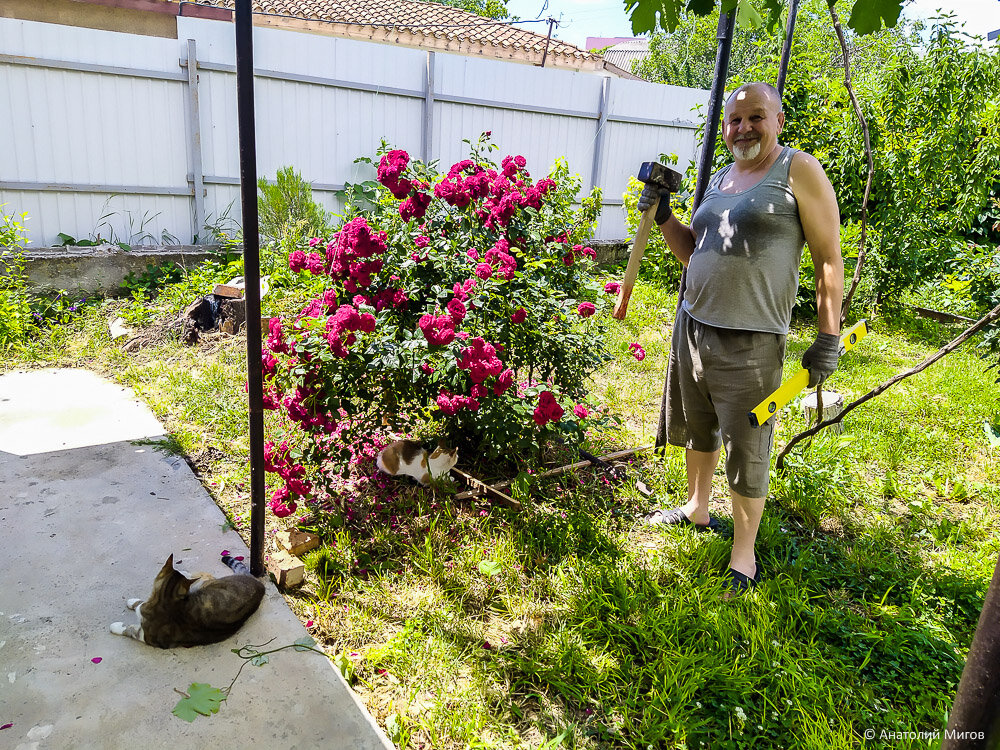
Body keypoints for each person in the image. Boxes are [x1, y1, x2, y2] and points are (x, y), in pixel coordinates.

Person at [639, 82, 844, 594]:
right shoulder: (720, 179)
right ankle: (697, 508)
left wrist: (828, 334)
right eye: (734, 120)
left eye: (755, 117)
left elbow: (828, 257)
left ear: (778, 120)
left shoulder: (799, 170)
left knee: (747, 446)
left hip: (752, 338)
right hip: (694, 324)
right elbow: (692, 250)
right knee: (698, 426)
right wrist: (664, 215)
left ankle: (744, 554)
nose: (742, 128)